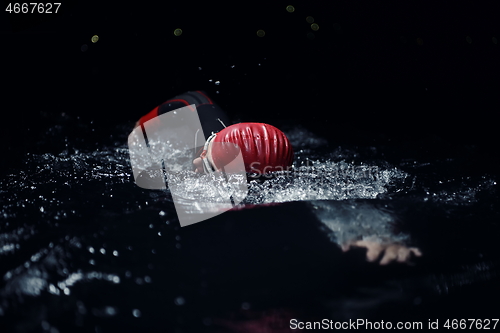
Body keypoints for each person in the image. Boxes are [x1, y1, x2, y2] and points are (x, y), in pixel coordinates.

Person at [133, 91, 422, 265]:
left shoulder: (278, 186)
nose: (197, 163)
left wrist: (382, 237)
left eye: (207, 167)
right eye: (205, 154)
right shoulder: (189, 136)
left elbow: (333, 201)